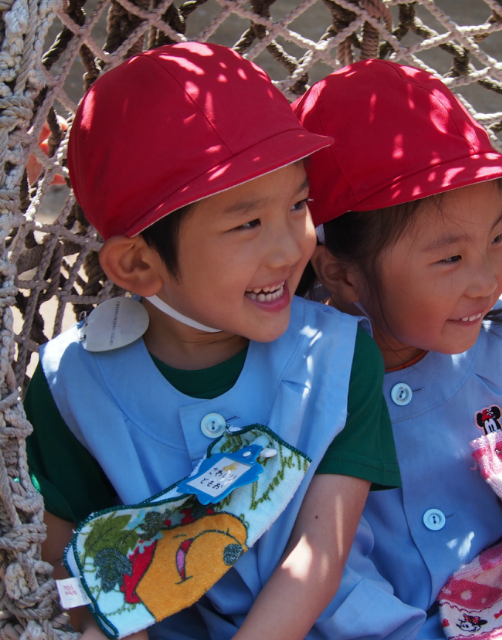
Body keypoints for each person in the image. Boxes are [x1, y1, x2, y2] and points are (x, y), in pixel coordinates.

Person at [25, 44, 404, 640]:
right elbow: (69, 562)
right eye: (247, 223)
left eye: (298, 204)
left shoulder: (336, 358)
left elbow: (319, 557)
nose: (291, 249)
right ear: (138, 265)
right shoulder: (70, 386)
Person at [294, 59, 502, 639]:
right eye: (450, 258)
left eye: (498, 238)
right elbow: (326, 569)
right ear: (342, 274)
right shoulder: (305, 384)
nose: (487, 280)